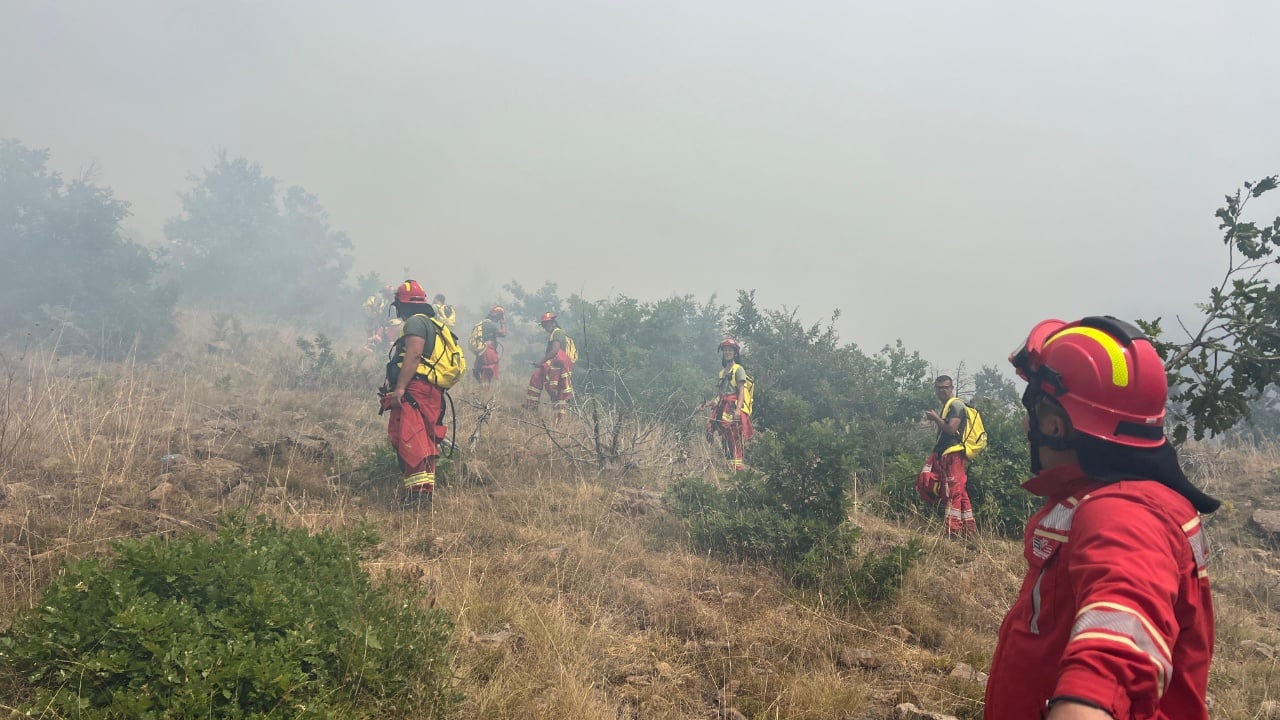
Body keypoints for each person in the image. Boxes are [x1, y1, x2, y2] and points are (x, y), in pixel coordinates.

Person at [985, 316, 1219, 720]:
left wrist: (1085, 704)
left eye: (1032, 413)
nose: (1026, 425)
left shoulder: (1122, 512)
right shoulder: (1116, 495)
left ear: (1054, 425)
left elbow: (1120, 630)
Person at [381, 280, 448, 508]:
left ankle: (417, 498)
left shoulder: (415, 323)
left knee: (412, 439)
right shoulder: (429, 322)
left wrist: (400, 387)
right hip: (426, 391)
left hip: (415, 390)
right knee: (422, 441)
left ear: (401, 304)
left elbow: (414, 355)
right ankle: (421, 495)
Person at [917, 375, 976, 536]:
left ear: (951, 388)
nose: (942, 391)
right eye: (939, 388)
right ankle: (969, 530)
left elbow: (951, 429)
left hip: (953, 454)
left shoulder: (956, 405)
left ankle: (953, 530)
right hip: (948, 454)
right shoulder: (948, 406)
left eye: (945, 387)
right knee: (960, 491)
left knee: (952, 491)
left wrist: (936, 418)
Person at [703, 338, 754, 472]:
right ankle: (729, 467)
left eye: (730, 350)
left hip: (732, 407)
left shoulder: (739, 369)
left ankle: (738, 468)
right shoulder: (722, 372)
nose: (727, 352)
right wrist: (706, 405)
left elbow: (741, 391)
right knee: (725, 436)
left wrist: (738, 410)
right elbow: (720, 396)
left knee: (734, 435)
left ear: (735, 353)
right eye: (725, 350)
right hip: (722, 406)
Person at [525, 311, 575, 418]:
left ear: (552, 322)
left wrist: (541, 362)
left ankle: (533, 408)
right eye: (543, 325)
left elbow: (554, 351)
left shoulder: (557, 333)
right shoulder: (555, 333)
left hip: (557, 366)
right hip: (557, 365)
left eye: (546, 324)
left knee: (540, 380)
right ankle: (534, 408)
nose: (545, 327)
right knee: (555, 391)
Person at [470, 305, 506, 387]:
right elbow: (503, 333)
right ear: (497, 316)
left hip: (480, 353)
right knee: (486, 377)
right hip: (488, 353)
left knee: (481, 377)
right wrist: (503, 323)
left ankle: (481, 392)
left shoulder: (482, 324)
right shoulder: (490, 324)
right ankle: (484, 393)